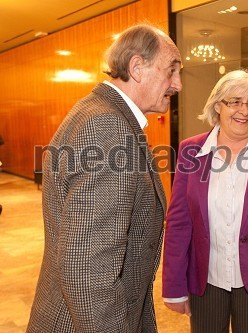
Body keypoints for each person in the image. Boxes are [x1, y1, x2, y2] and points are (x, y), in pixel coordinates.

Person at [27, 23, 182, 333]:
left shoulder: (101, 114)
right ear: (137, 67)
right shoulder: (107, 128)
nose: (177, 84)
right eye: (171, 71)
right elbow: (88, 268)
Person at [162, 69, 248, 333]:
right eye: (234, 101)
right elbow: (179, 223)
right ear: (218, 106)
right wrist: (174, 287)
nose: (244, 110)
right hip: (206, 279)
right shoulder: (191, 150)